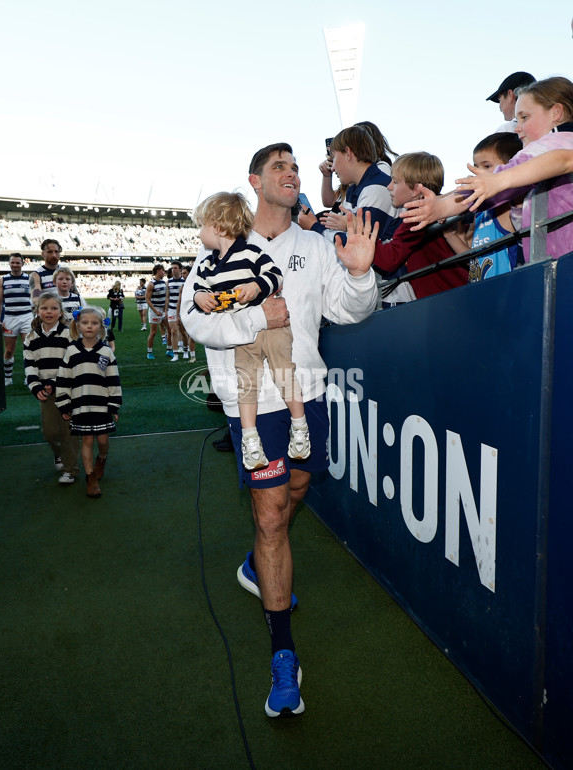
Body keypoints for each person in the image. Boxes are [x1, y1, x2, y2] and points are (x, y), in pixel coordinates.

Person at [180, 142, 379, 718]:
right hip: (252, 403)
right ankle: (284, 656)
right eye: (281, 167)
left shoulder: (316, 246)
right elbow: (195, 320)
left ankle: (254, 562)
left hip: (306, 397)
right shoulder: (218, 247)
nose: (293, 175)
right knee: (271, 516)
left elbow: (349, 310)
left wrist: (362, 276)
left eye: (296, 168)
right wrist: (253, 316)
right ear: (255, 182)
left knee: (295, 492)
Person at [192, 191, 311, 471]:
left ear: (218, 227)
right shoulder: (208, 263)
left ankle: (300, 427)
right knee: (246, 384)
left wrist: (257, 286)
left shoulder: (251, 252)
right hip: (242, 336)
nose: (199, 234)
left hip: (272, 330)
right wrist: (201, 298)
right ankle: (250, 439)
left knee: (284, 374)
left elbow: (275, 275)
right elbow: (198, 288)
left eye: (202, 226)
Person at [403, 77, 573, 263]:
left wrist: (443, 207)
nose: (517, 128)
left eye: (525, 117)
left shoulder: (553, 142)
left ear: (555, 113)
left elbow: (561, 160)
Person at [371, 152, 469, 299]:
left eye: (395, 181)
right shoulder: (441, 208)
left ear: (416, 190)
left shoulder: (418, 216)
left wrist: (360, 233)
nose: (389, 186)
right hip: (457, 293)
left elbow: (389, 259)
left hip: (444, 300)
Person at [55, 306, 122, 498]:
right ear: (78, 325)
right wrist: (64, 404)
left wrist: (114, 404)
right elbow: (64, 379)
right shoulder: (71, 351)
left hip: (101, 405)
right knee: (87, 439)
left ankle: (102, 457)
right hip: (80, 405)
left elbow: (113, 379)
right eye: (85, 323)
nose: (89, 326)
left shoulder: (107, 352)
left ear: (101, 327)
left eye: (94, 323)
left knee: (102, 440)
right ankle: (90, 478)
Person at [442, 133, 524, 282]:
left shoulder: (510, 205)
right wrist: (450, 235)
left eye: (486, 166)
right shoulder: (481, 210)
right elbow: (474, 260)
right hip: (482, 292)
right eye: (475, 166)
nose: (477, 172)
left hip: (508, 290)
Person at [299, 125, 397, 244]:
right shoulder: (353, 190)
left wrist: (314, 227)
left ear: (348, 153)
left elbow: (357, 246)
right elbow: (339, 234)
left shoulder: (376, 189)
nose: (333, 168)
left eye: (334, 158)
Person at [23, 292, 80, 485]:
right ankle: (59, 454)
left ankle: (70, 469)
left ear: (60, 312)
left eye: (54, 308)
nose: (49, 312)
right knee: (49, 433)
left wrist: (57, 381)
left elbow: (72, 362)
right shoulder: (31, 337)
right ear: (37, 311)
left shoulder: (68, 334)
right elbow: (29, 365)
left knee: (67, 430)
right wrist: (35, 385)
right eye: (45, 308)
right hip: (45, 392)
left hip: (67, 388)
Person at [0, 253, 33, 386]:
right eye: (12, 262)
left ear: (22, 263)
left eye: (17, 262)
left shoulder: (29, 278)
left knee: (28, 348)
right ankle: (8, 378)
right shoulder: (3, 279)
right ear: (9, 264)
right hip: (10, 318)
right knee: (9, 350)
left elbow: (36, 298)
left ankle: (29, 377)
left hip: (27, 317)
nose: (15, 265)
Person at [145, 264, 168, 360]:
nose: (164, 272)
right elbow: (147, 299)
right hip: (155, 310)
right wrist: (155, 311)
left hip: (163, 310)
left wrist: (165, 310)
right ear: (158, 271)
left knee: (170, 330)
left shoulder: (163, 282)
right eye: (163, 270)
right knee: (153, 332)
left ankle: (170, 350)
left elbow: (166, 297)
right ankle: (149, 352)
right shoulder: (151, 284)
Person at [166, 262, 188, 360]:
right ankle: (175, 355)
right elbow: (167, 297)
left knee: (183, 332)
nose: (173, 270)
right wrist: (166, 310)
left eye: (175, 268)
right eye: (172, 268)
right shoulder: (168, 282)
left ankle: (186, 350)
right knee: (173, 331)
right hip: (171, 309)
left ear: (179, 269)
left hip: (182, 310)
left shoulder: (185, 281)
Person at [29, 239, 62, 305]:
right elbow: (36, 300)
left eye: (56, 252)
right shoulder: (36, 275)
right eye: (50, 252)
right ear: (43, 254)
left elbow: (75, 294)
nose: (54, 255)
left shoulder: (66, 272)